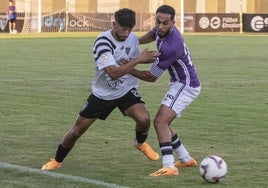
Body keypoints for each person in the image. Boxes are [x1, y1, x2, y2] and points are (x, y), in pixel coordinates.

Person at [41, 8, 160, 171]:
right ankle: (57, 160)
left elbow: (133, 59)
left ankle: (140, 144)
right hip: (103, 95)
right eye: (123, 28)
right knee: (77, 131)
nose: (126, 33)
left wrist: (156, 56)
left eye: (130, 29)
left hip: (125, 90)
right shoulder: (103, 42)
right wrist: (139, 59)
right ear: (113, 24)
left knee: (144, 119)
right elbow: (112, 73)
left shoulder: (132, 38)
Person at [129, 5, 201, 176]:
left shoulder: (172, 46)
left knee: (160, 121)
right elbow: (152, 34)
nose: (160, 26)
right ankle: (186, 159)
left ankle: (169, 166)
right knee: (164, 123)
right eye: (158, 21)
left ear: (173, 23)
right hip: (179, 82)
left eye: (165, 23)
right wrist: (134, 42)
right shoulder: (161, 30)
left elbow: (151, 77)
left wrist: (128, 67)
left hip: (186, 85)